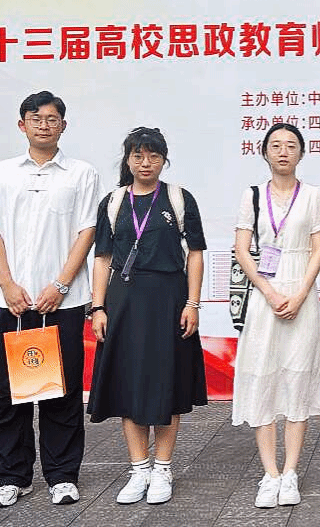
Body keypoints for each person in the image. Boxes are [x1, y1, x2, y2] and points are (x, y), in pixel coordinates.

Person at [0, 90, 100, 508]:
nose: (44, 125)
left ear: (64, 125)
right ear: (22, 125)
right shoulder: (1, 173)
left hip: (62, 300)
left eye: (52, 118)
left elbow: (88, 231)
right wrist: (7, 285)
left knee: (62, 388)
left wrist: (60, 285)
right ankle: (12, 476)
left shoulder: (81, 174)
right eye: (36, 118)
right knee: (9, 391)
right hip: (13, 301)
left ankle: (62, 475)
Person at [87, 127, 208, 505]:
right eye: (138, 156)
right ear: (127, 160)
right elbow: (103, 258)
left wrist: (192, 304)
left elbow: (196, 254)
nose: (145, 163)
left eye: (153, 156)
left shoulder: (178, 198)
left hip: (169, 301)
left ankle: (163, 469)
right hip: (124, 304)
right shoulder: (113, 202)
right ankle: (139, 469)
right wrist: (98, 307)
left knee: (167, 385)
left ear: (163, 160)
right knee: (130, 385)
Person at [231, 123, 320, 508]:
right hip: (265, 295)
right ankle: (269, 474)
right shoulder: (253, 195)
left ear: (301, 153)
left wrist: (301, 293)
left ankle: (290, 472)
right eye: (276, 145)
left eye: (291, 145)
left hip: (302, 294)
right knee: (262, 377)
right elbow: (242, 250)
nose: (283, 152)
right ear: (265, 153)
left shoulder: (315, 195)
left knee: (297, 379)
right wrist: (271, 293)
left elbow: (318, 249)